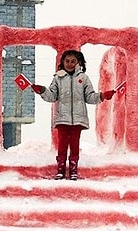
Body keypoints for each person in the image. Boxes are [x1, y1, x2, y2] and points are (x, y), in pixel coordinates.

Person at [31, 50, 115, 180]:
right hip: (62, 118)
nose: (69, 64)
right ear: (63, 62)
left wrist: (102, 96)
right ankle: (60, 170)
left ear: (79, 63)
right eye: (67, 61)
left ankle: (73, 170)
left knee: (75, 146)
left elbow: (90, 97)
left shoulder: (83, 78)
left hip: (78, 119)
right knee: (62, 145)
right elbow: (52, 96)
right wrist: (42, 91)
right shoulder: (58, 78)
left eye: (73, 61)